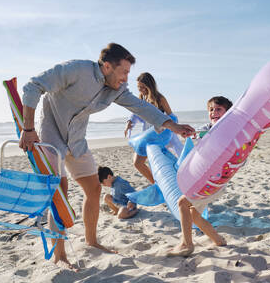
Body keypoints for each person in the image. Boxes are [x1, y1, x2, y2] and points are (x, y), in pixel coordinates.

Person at [19, 43, 195, 267]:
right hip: (51, 136)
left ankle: (92, 241)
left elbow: (141, 107)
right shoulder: (75, 70)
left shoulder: (117, 89)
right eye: (124, 72)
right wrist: (28, 129)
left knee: (93, 188)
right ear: (108, 66)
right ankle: (60, 255)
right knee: (59, 194)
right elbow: (32, 86)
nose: (126, 78)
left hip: (76, 140)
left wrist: (173, 126)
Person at [167, 96, 233, 257]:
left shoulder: (231, 133)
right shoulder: (206, 128)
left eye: (218, 109)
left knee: (182, 202)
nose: (214, 112)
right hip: (204, 180)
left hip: (214, 182)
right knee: (193, 214)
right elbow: (197, 136)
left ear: (228, 113)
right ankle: (218, 240)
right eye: (211, 110)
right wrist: (189, 134)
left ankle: (186, 244)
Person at [124, 72, 182, 184]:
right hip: (147, 135)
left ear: (149, 86)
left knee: (161, 164)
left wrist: (167, 126)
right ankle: (156, 184)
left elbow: (172, 116)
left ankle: (166, 184)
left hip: (160, 136)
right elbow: (135, 112)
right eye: (138, 87)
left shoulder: (160, 99)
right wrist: (129, 122)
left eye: (142, 87)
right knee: (138, 163)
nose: (140, 90)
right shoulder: (142, 97)